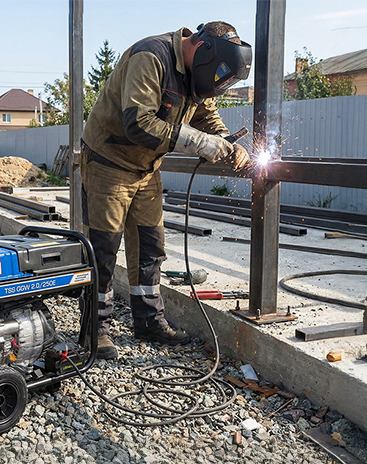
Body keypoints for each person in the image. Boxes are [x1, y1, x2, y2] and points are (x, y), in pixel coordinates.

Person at [79, 21, 253, 359]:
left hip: (146, 168)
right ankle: (95, 330)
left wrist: (225, 140)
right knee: (103, 247)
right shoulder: (151, 56)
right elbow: (138, 122)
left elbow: (206, 116)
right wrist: (200, 143)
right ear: (203, 51)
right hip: (109, 160)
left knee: (150, 246)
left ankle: (148, 321)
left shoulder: (197, 76)